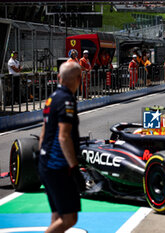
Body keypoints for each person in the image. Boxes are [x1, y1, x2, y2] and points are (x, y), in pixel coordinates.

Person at [38, 62, 84, 233]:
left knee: (57, 215)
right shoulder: (67, 101)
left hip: (45, 164)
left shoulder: (51, 99)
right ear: (79, 78)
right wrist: (74, 167)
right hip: (58, 166)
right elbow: (64, 137)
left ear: (59, 78)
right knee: (70, 218)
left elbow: (42, 135)